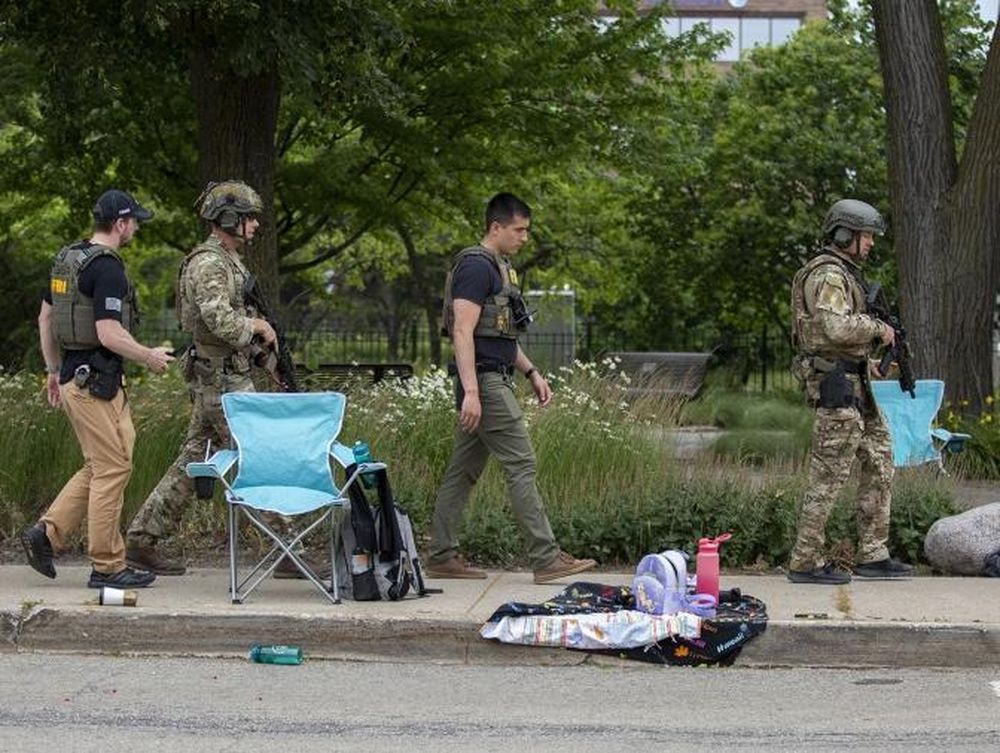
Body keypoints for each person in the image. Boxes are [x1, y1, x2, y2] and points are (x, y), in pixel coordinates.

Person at [123, 179, 297, 575]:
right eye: (250, 218)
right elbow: (219, 321)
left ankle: (142, 540)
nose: (255, 225)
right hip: (221, 381)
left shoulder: (227, 259)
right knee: (256, 453)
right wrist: (256, 327)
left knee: (195, 459)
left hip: (221, 376)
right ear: (229, 218)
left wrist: (260, 350)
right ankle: (287, 547)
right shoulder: (209, 263)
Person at [427, 192, 597, 584]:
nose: (524, 238)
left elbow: (498, 335)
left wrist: (532, 372)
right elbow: (462, 330)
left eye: (527, 231)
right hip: (484, 383)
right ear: (496, 227)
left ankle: (441, 554)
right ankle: (546, 557)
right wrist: (471, 391)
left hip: (493, 376)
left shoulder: (499, 268)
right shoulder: (476, 266)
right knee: (521, 463)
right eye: (519, 230)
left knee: (463, 470)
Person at [21, 189, 174, 589]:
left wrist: (53, 370)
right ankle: (107, 566)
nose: (136, 227)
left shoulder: (67, 259)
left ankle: (47, 533)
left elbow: (45, 318)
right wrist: (148, 356)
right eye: (134, 221)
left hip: (77, 377)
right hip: (96, 383)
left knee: (108, 460)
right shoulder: (107, 269)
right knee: (112, 469)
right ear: (120, 223)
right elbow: (107, 332)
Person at [787, 198, 915, 585]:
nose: (871, 244)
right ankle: (805, 560)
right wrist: (878, 329)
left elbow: (843, 339)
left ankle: (873, 553)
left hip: (856, 383)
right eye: (866, 236)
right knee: (829, 474)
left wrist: (871, 361)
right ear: (845, 234)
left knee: (880, 459)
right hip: (836, 387)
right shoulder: (828, 275)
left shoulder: (846, 274)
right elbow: (835, 329)